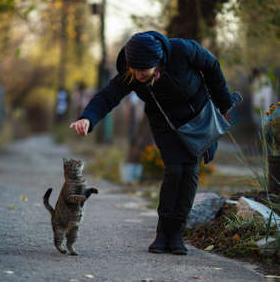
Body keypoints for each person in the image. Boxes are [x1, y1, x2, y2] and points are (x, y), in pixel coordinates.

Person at [70, 31, 233, 255]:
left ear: (158, 63)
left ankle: (176, 234)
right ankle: (162, 232)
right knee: (174, 170)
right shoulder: (132, 74)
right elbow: (108, 96)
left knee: (190, 171)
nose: (137, 75)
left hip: (198, 119)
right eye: (133, 70)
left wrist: (224, 105)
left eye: (143, 71)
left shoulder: (183, 50)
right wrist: (87, 117)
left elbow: (212, 67)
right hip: (165, 123)